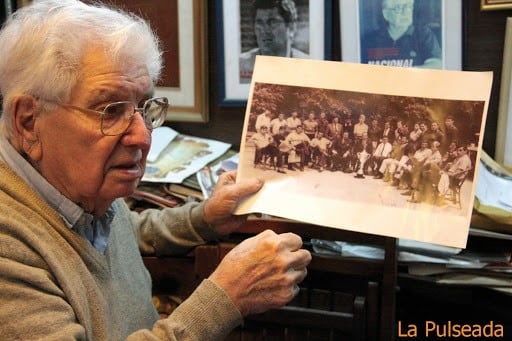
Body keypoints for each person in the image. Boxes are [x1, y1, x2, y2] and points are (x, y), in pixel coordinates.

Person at [0, 1, 312, 340]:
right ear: (28, 121)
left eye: (144, 107)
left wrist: (205, 218)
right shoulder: (8, 246)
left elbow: (124, 230)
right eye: (110, 110)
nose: (142, 136)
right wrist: (226, 299)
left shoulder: (81, 191)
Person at [239, 0, 309, 82]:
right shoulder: (240, 67)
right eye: (259, 23)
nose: (265, 30)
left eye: (272, 22)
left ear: (291, 28)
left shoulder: (311, 68)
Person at [360, 0, 442, 69]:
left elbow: (437, 64)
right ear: (386, 14)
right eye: (398, 8)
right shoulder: (370, 40)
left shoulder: (423, 34)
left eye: (408, 7)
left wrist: (405, 75)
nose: (405, 12)